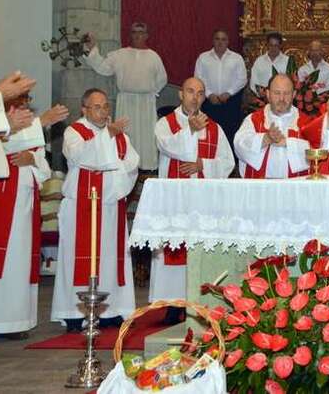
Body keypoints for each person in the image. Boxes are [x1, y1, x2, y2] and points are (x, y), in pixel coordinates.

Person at [51, 89, 139, 332]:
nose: (103, 112)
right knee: (76, 259)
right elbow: (78, 155)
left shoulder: (120, 136)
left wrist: (116, 174)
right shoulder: (74, 131)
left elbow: (132, 164)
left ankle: (110, 311)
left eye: (105, 106)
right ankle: (73, 313)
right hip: (81, 206)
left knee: (109, 258)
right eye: (97, 107)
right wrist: (106, 142)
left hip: (110, 206)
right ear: (84, 109)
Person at [150, 78, 235, 323]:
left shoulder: (214, 128)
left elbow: (228, 162)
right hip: (175, 198)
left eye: (200, 93)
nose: (195, 97)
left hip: (203, 200)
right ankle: (172, 303)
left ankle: (199, 299)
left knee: (198, 247)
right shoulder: (166, 124)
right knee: (174, 246)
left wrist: (202, 165)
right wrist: (189, 129)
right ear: (181, 95)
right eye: (190, 91)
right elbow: (168, 147)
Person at [0, 95, 51, 339]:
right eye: (21, 108)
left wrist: (32, 159)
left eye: (27, 108)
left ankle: (17, 322)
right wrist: (40, 123)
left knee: (20, 265)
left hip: (24, 209)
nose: (25, 113)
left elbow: (44, 170)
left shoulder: (33, 138)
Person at [85, 23, 168, 171]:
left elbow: (162, 79)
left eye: (141, 32)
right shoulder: (120, 55)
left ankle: (147, 167)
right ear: (130, 34)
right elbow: (103, 67)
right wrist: (92, 49)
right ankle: (125, 166)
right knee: (126, 133)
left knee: (147, 135)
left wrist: (151, 92)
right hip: (126, 101)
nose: (137, 35)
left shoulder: (154, 57)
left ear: (146, 35)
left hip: (146, 103)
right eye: (134, 32)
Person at [234, 74, 311, 178]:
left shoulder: (306, 122)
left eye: (286, 93)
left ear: (294, 94)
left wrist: (288, 143)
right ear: (268, 93)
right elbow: (239, 145)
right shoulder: (253, 120)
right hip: (260, 186)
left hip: (295, 186)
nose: (281, 98)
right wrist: (265, 139)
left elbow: (317, 150)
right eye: (277, 93)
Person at [193, 29, 248, 146]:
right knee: (209, 133)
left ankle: (230, 157)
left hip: (230, 103)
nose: (220, 42)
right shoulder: (203, 58)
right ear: (213, 41)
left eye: (223, 39)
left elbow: (242, 79)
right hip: (209, 103)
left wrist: (229, 93)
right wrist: (209, 94)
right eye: (217, 39)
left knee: (230, 134)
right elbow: (198, 78)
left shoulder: (237, 58)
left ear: (228, 42)